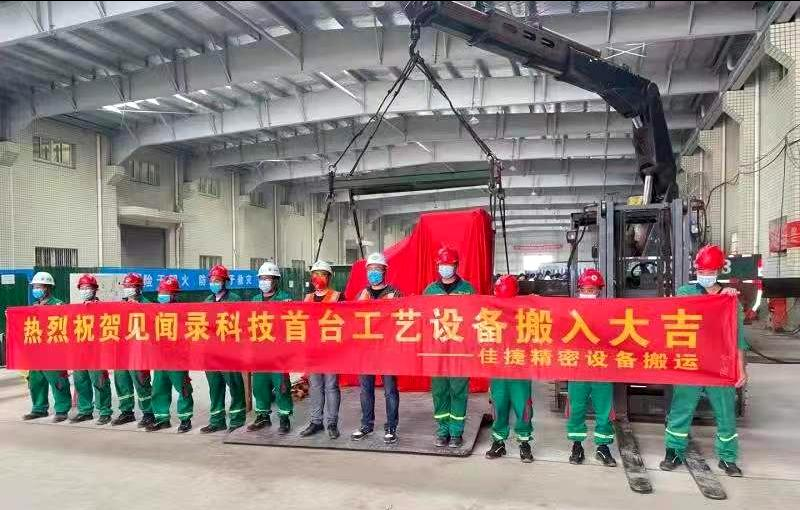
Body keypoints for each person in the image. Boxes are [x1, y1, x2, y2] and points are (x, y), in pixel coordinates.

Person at [660, 245, 748, 477]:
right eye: (701, 271)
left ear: (718, 271)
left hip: (720, 364)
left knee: (725, 412)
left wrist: (740, 368)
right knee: (681, 408)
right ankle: (673, 451)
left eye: (709, 272)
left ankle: (728, 457)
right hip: (691, 362)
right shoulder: (686, 293)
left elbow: (738, 337)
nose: (704, 275)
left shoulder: (730, 300)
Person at [423, 247, 476, 448]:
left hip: (460, 351)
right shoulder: (430, 291)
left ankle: (456, 432)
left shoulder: (468, 290)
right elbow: (423, 320)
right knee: (439, 392)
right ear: (437, 266)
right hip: (436, 351)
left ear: (456, 265)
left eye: (449, 264)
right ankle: (442, 431)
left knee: (458, 391)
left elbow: (475, 319)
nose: (445, 268)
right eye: (442, 264)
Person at [565, 269, 617, 467]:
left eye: (592, 290)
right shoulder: (570, 311)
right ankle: (576, 445)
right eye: (585, 289)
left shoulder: (609, 311)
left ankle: (603, 447)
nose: (588, 293)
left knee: (604, 409)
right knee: (576, 407)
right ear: (579, 290)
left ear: (599, 291)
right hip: (578, 368)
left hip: (601, 367)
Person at [351, 252, 401, 444]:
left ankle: (391, 426)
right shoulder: (361, 295)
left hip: (387, 349)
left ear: (385, 271)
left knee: (390, 390)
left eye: (377, 269)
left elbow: (402, 319)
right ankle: (366, 425)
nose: (373, 272)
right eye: (370, 269)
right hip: (366, 350)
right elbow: (352, 319)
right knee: (365, 389)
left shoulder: (395, 294)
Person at [485, 275, 534, 463]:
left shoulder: (526, 314)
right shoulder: (490, 314)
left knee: (523, 406)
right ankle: (498, 442)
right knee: (499, 405)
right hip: (498, 369)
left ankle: (524, 443)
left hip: (519, 369)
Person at [247, 262, 293, 434]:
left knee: (281, 386)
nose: (264, 281)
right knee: (259, 386)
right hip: (260, 352)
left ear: (275, 280)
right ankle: (262, 416)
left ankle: (284, 418)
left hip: (279, 352)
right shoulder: (254, 300)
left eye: (267, 278)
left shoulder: (285, 298)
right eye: (262, 278)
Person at [300, 260, 343, 440]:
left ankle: (332, 423)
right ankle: (316, 422)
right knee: (315, 386)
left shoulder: (338, 296)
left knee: (331, 386)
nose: (318, 278)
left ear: (329, 277)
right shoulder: (307, 298)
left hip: (331, 349)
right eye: (315, 274)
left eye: (323, 274)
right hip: (313, 350)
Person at [201, 264, 247, 433]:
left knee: (234, 386)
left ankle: (237, 419)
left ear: (225, 282)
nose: (214, 283)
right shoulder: (207, 301)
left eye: (217, 280)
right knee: (215, 387)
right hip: (211, 352)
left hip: (229, 352)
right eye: (212, 280)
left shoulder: (235, 300)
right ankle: (217, 420)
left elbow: (241, 324)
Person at [22, 272, 72, 422]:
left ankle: (62, 410)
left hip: (53, 352)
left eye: (39, 287)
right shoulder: (34, 307)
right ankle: (39, 409)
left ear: (48, 288)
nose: (35, 290)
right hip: (37, 351)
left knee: (58, 381)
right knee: (36, 381)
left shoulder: (58, 305)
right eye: (34, 287)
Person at [146, 276, 194, 433]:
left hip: (177, 358)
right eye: (160, 292)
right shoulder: (155, 311)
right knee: (159, 387)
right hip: (160, 357)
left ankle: (185, 419)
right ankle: (162, 419)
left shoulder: (183, 311)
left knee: (183, 387)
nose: (162, 295)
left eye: (166, 293)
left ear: (174, 295)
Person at [111, 273, 155, 428]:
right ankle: (126, 412)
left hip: (139, 351)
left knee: (141, 381)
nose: (128, 289)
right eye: (126, 286)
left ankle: (149, 413)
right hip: (122, 350)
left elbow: (153, 326)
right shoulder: (120, 305)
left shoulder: (147, 305)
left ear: (139, 288)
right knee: (121, 380)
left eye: (131, 286)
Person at [71, 274, 113, 425]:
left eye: (88, 288)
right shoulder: (77, 309)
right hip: (81, 352)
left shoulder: (103, 308)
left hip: (97, 352)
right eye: (82, 288)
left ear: (95, 289)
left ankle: (104, 412)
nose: (85, 290)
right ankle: (85, 411)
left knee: (99, 381)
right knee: (80, 381)